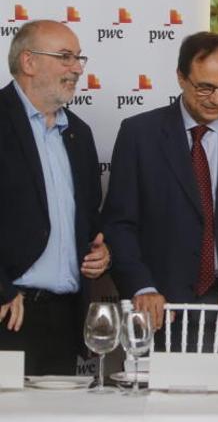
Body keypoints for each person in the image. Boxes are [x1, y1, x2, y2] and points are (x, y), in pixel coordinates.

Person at [102, 31, 218, 375]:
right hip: (160, 314)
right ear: (180, 77)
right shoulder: (139, 135)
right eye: (205, 87)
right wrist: (142, 287)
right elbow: (119, 224)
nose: (216, 99)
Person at [0, 20, 110, 375]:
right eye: (65, 57)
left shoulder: (80, 133)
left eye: (79, 58)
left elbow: (88, 219)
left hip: (65, 320)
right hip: (8, 312)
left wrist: (101, 250)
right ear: (29, 62)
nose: (77, 69)